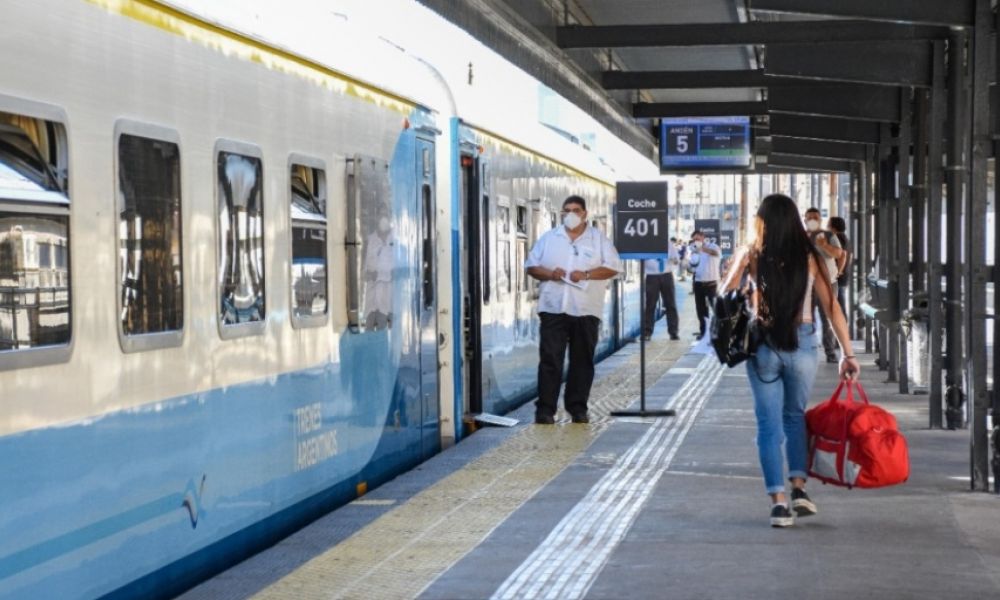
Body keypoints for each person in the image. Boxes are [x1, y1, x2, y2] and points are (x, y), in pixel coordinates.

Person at [722, 194, 859, 528]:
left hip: (764, 347)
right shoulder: (810, 256)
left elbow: (724, 295)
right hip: (803, 343)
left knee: (768, 425)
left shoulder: (752, 254)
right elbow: (832, 308)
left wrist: (739, 270)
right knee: (794, 417)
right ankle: (799, 487)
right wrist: (847, 354)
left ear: (762, 221)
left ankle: (778, 503)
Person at [525, 196, 622, 424]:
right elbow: (531, 266)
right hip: (553, 308)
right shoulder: (549, 238)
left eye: (576, 210)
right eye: (567, 210)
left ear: (585, 213)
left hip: (586, 310)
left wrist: (586, 274)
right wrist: (550, 274)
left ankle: (577, 408)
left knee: (582, 361)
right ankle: (545, 410)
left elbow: (613, 268)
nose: (571, 214)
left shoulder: (599, 240)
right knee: (550, 359)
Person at [804, 207, 844, 363]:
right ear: (805, 219)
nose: (812, 220)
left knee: (829, 318)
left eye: (815, 217)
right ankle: (808, 351)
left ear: (820, 219)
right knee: (806, 319)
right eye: (810, 217)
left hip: (828, 283)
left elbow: (839, 254)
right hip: (807, 285)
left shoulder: (829, 235)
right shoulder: (799, 237)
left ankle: (830, 352)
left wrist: (825, 245)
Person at [641, 242, 680, 341]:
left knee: (670, 304)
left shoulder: (668, 244)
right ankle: (647, 332)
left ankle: (673, 332)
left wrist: (674, 260)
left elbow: (676, 259)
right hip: (651, 275)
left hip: (667, 274)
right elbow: (638, 258)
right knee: (650, 305)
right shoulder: (645, 243)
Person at [687, 230, 721, 338]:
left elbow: (717, 254)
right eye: (694, 239)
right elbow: (692, 266)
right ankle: (704, 332)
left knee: (716, 308)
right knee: (701, 310)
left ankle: (719, 332)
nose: (696, 241)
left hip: (712, 283)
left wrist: (702, 249)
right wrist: (689, 267)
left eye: (697, 238)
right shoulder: (693, 250)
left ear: (703, 237)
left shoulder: (713, 246)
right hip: (698, 283)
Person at [828, 216, 852, 318]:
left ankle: (843, 325)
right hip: (844, 275)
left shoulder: (837, 238)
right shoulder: (846, 238)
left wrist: (838, 271)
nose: (827, 226)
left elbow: (843, 255)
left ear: (834, 227)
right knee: (839, 302)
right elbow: (850, 257)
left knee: (839, 304)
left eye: (829, 224)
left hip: (839, 277)